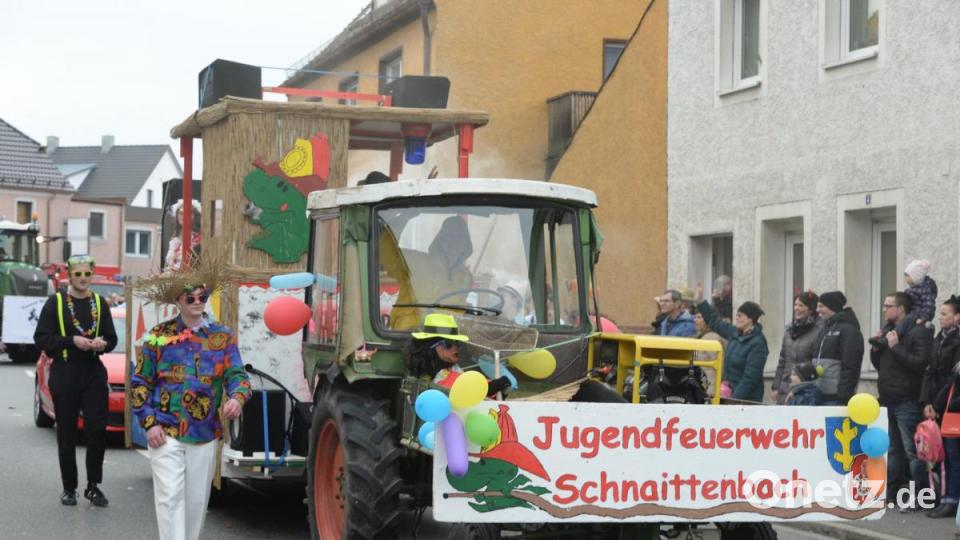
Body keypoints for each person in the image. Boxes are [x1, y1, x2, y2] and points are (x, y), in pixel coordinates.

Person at [132, 283, 251, 540]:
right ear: (178, 300)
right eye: (191, 297)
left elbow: (238, 376)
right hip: (164, 430)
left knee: (196, 503)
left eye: (203, 296)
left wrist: (237, 399)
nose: (197, 301)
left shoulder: (223, 336)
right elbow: (140, 382)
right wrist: (149, 423)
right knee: (170, 498)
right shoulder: (158, 335)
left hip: (204, 432)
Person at [33, 254, 117, 507]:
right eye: (78, 274)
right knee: (67, 432)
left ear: (92, 274)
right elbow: (42, 339)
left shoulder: (100, 303)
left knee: (96, 430)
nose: (83, 278)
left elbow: (112, 339)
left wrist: (102, 344)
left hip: (92, 370)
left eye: (87, 274)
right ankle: (69, 488)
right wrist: (72, 341)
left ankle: (93, 486)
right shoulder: (55, 302)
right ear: (70, 275)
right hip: (65, 370)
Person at [870, 291, 932, 507]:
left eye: (888, 305)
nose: (884, 309)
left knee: (912, 450)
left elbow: (919, 363)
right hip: (888, 398)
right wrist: (877, 347)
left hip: (907, 399)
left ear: (901, 309)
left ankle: (921, 495)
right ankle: (894, 492)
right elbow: (882, 365)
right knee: (893, 449)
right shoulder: (890, 331)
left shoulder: (917, 333)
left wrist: (895, 347)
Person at [695, 283, 769, 402]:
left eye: (740, 316)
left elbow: (750, 378)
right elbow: (714, 321)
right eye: (736, 315)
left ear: (751, 319)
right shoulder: (734, 333)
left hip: (746, 400)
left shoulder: (758, 343)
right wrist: (701, 302)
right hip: (727, 393)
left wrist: (735, 399)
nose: (737, 318)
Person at [404, 313, 511, 395]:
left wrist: (496, 387)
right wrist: (491, 387)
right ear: (431, 347)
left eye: (457, 343)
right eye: (449, 343)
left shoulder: (451, 368)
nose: (456, 347)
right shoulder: (426, 375)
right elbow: (455, 389)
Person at [921, 296, 960, 518]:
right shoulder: (939, 338)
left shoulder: (957, 341)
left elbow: (952, 380)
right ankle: (943, 496)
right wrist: (926, 402)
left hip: (950, 405)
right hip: (937, 402)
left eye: (945, 313)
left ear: (957, 317)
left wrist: (937, 404)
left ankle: (951, 499)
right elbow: (929, 371)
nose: (940, 317)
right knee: (938, 454)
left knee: (952, 456)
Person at [813, 291, 864, 406]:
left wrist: (843, 396)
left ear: (832, 307)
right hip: (820, 393)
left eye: (821, 306)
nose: (817, 310)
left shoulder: (849, 330)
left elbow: (851, 365)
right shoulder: (825, 328)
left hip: (836, 397)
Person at [772, 291, 823, 405]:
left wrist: (799, 389)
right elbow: (783, 361)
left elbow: (816, 364)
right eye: (795, 305)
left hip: (804, 391)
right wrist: (776, 386)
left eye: (801, 305)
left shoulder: (818, 331)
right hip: (785, 388)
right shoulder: (790, 330)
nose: (796, 308)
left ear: (810, 309)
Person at [165, 200, 201, 271]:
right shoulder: (176, 238)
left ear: (195, 216)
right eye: (181, 213)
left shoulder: (199, 237)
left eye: (188, 213)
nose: (184, 216)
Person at [904, 259, 938, 324]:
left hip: (918, 316)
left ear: (916, 277)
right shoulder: (912, 289)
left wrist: (924, 318)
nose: (905, 278)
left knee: (906, 322)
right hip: (911, 315)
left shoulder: (925, 290)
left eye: (907, 275)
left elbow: (929, 305)